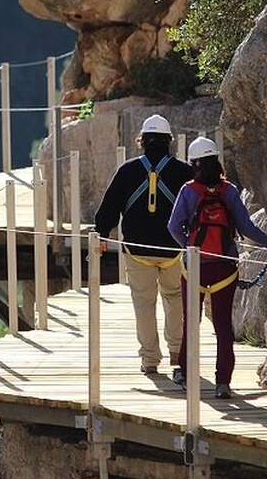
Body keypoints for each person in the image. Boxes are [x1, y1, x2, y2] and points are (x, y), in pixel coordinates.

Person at [167, 136, 267, 399]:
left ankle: (186, 374)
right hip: (225, 267)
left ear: (194, 163)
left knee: (191, 322)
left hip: (195, 267)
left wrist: (190, 246)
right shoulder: (230, 191)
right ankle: (223, 382)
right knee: (223, 326)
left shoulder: (189, 191)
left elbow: (172, 226)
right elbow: (247, 228)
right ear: (217, 160)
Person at [94, 114, 194, 375]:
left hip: (137, 249)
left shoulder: (127, 170)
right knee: (174, 298)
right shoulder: (184, 171)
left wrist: (102, 233)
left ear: (142, 141)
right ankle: (176, 352)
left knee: (143, 303)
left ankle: (150, 360)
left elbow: (110, 206)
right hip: (173, 249)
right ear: (168, 141)